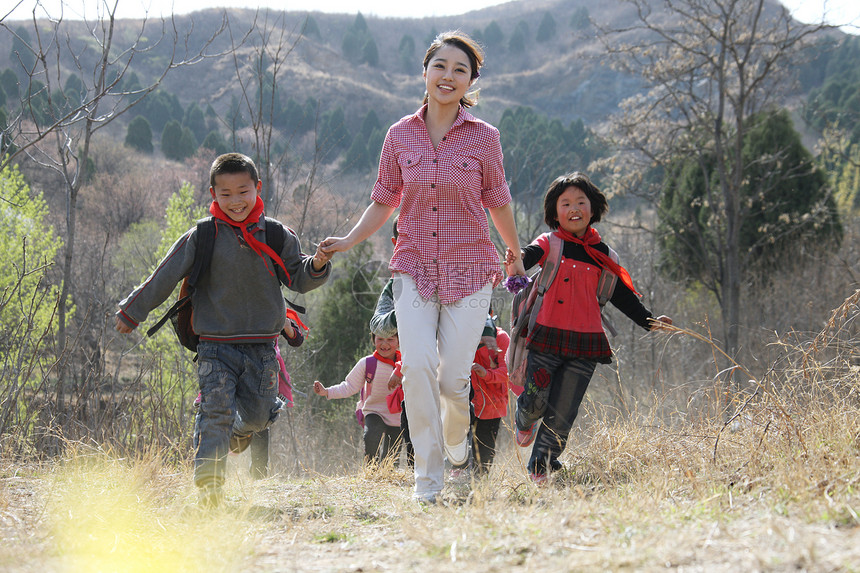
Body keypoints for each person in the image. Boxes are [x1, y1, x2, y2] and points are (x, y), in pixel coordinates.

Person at [320, 30, 526, 503]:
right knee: (415, 366)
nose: (448, 76)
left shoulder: (484, 138)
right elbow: (383, 200)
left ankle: (457, 443)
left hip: (472, 268)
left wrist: (512, 250)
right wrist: (350, 240)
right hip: (412, 265)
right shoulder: (399, 135)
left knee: (453, 379)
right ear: (426, 72)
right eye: (440, 66)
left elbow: (498, 201)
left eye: (460, 70)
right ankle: (427, 481)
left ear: (471, 80)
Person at [115, 153, 332, 507]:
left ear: (257, 189)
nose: (235, 201)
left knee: (260, 417)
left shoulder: (276, 234)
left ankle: (236, 430)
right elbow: (164, 275)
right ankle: (210, 487)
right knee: (215, 410)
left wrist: (319, 263)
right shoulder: (203, 235)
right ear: (213, 193)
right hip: (214, 345)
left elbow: (299, 277)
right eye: (225, 193)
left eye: (242, 191)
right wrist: (132, 310)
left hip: (262, 348)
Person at [505, 172, 672, 485]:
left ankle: (541, 467)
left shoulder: (605, 256)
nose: (574, 208)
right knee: (536, 400)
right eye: (565, 203)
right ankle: (523, 418)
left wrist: (649, 321)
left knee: (564, 411)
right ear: (554, 213)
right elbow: (529, 256)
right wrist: (516, 258)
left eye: (580, 202)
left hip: (586, 343)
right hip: (546, 336)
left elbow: (623, 295)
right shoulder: (550, 243)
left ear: (592, 209)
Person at [312, 333, 404, 466]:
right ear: (373, 340)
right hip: (374, 410)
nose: (384, 344)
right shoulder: (367, 363)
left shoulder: (407, 364)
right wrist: (326, 391)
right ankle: (371, 472)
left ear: (399, 342)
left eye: (390, 339)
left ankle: (386, 479)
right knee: (370, 438)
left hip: (398, 416)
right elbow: (349, 386)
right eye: (380, 339)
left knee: (391, 459)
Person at [468, 312, 516, 476]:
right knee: (461, 440)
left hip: (492, 404)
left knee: (485, 445)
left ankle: (480, 480)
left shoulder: (501, 338)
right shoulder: (460, 336)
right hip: (467, 400)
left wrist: (486, 374)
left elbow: (508, 372)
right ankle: (460, 474)